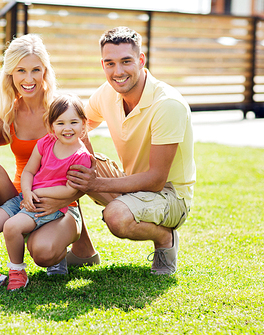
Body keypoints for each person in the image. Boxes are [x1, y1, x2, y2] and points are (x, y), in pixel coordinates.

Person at [0, 34, 98, 288]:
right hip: (21, 198)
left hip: (61, 202)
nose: (29, 78)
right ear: (10, 73)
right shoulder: (8, 112)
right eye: (21, 70)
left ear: (45, 71)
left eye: (36, 70)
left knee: (43, 252)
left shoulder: (62, 111)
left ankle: (58, 250)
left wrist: (63, 198)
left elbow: (89, 170)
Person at [67, 26, 196, 275]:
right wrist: (84, 160)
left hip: (170, 196)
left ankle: (165, 238)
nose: (118, 72)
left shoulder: (167, 104)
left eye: (126, 61)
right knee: (74, 166)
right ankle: (83, 251)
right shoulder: (107, 93)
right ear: (102, 64)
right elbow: (78, 124)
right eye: (110, 63)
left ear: (141, 60)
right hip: (131, 184)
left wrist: (95, 184)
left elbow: (157, 180)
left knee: (116, 217)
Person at [0, 94, 91, 290]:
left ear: (83, 125)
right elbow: (29, 171)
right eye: (60, 123)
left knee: (12, 227)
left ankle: (17, 272)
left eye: (74, 122)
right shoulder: (45, 143)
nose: (67, 128)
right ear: (51, 126)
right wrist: (28, 192)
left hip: (49, 204)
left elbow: (71, 189)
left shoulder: (81, 156)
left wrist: (40, 193)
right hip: (27, 196)